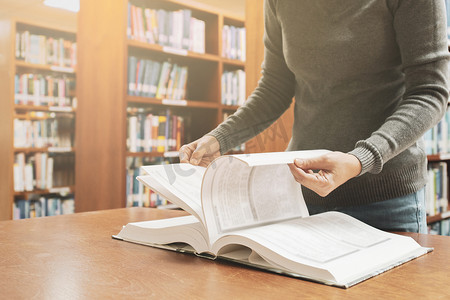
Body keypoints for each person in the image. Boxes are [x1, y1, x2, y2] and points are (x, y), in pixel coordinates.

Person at [179, 0, 450, 233]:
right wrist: (220, 138)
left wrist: (359, 160)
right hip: (300, 195)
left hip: (384, 201)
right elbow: (274, 88)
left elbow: (430, 91)